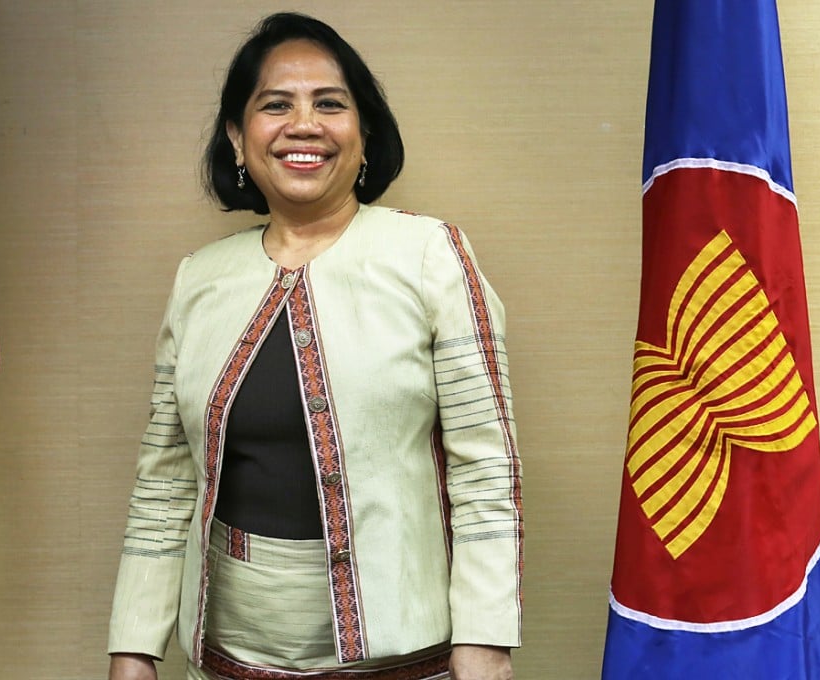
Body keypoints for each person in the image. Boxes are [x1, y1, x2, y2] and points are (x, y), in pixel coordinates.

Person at [108, 12, 522, 680]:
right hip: (226, 660)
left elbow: (486, 468)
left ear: (364, 137)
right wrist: (133, 648)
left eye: (330, 104)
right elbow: (164, 485)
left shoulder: (430, 255)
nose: (305, 124)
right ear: (239, 141)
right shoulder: (198, 280)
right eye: (276, 105)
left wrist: (485, 638)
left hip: (405, 659)